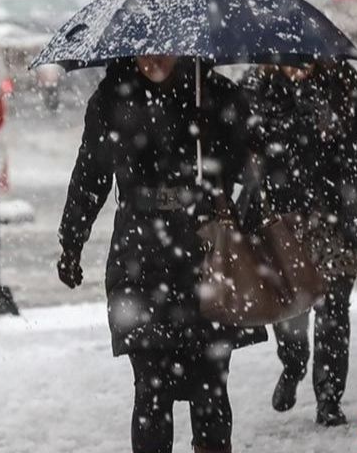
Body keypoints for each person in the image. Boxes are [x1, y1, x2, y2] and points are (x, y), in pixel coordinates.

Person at [57, 55, 265, 453]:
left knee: (211, 387)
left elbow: (254, 168)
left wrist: (226, 149)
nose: (154, 58)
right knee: (151, 389)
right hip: (140, 258)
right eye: (145, 50)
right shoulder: (112, 100)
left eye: (165, 49)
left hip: (206, 256)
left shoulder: (214, 94)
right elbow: (91, 173)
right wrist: (71, 241)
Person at [238, 60, 357, 427]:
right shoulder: (256, 86)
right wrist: (280, 133)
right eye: (289, 60)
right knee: (291, 309)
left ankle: (329, 396)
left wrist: (341, 134)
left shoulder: (342, 80)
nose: (299, 67)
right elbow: (239, 147)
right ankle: (294, 363)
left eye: (306, 60)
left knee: (333, 308)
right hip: (284, 218)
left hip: (338, 217)